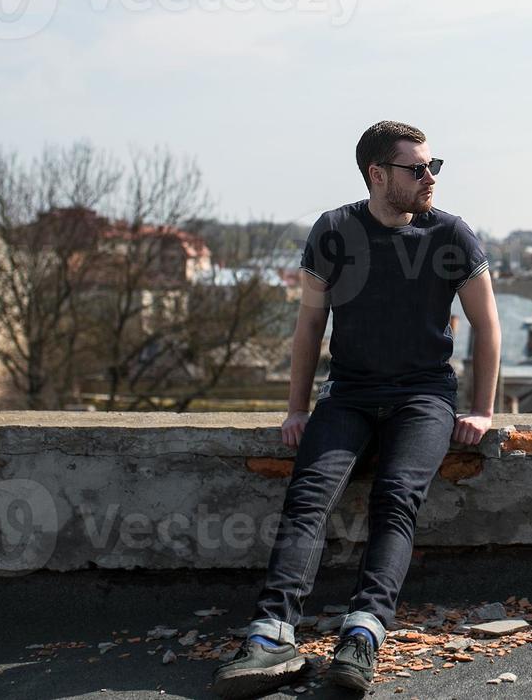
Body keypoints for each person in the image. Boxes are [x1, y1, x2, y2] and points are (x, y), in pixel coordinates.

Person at [212, 120, 501, 698]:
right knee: (308, 496)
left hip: (424, 396)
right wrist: (296, 409)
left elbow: (486, 326)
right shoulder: (335, 230)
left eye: (433, 167)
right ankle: (271, 636)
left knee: (396, 497)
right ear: (377, 174)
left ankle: (363, 634)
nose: (430, 179)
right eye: (416, 169)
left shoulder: (451, 234)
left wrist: (483, 410)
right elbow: (310, 324)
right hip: (349, 394)